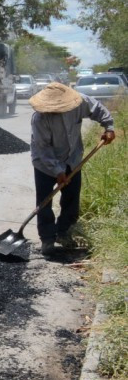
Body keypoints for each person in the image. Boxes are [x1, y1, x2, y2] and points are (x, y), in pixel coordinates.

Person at [29, 82, 116, 255]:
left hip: (73, 159)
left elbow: (98, 109)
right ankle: (47, 238)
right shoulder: (39, 118)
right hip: (45, 164)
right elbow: (43, 149)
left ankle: (65, 233)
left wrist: (109, 127)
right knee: (44, 201)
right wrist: (58, 171)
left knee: (71, 200)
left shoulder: (78, 102)